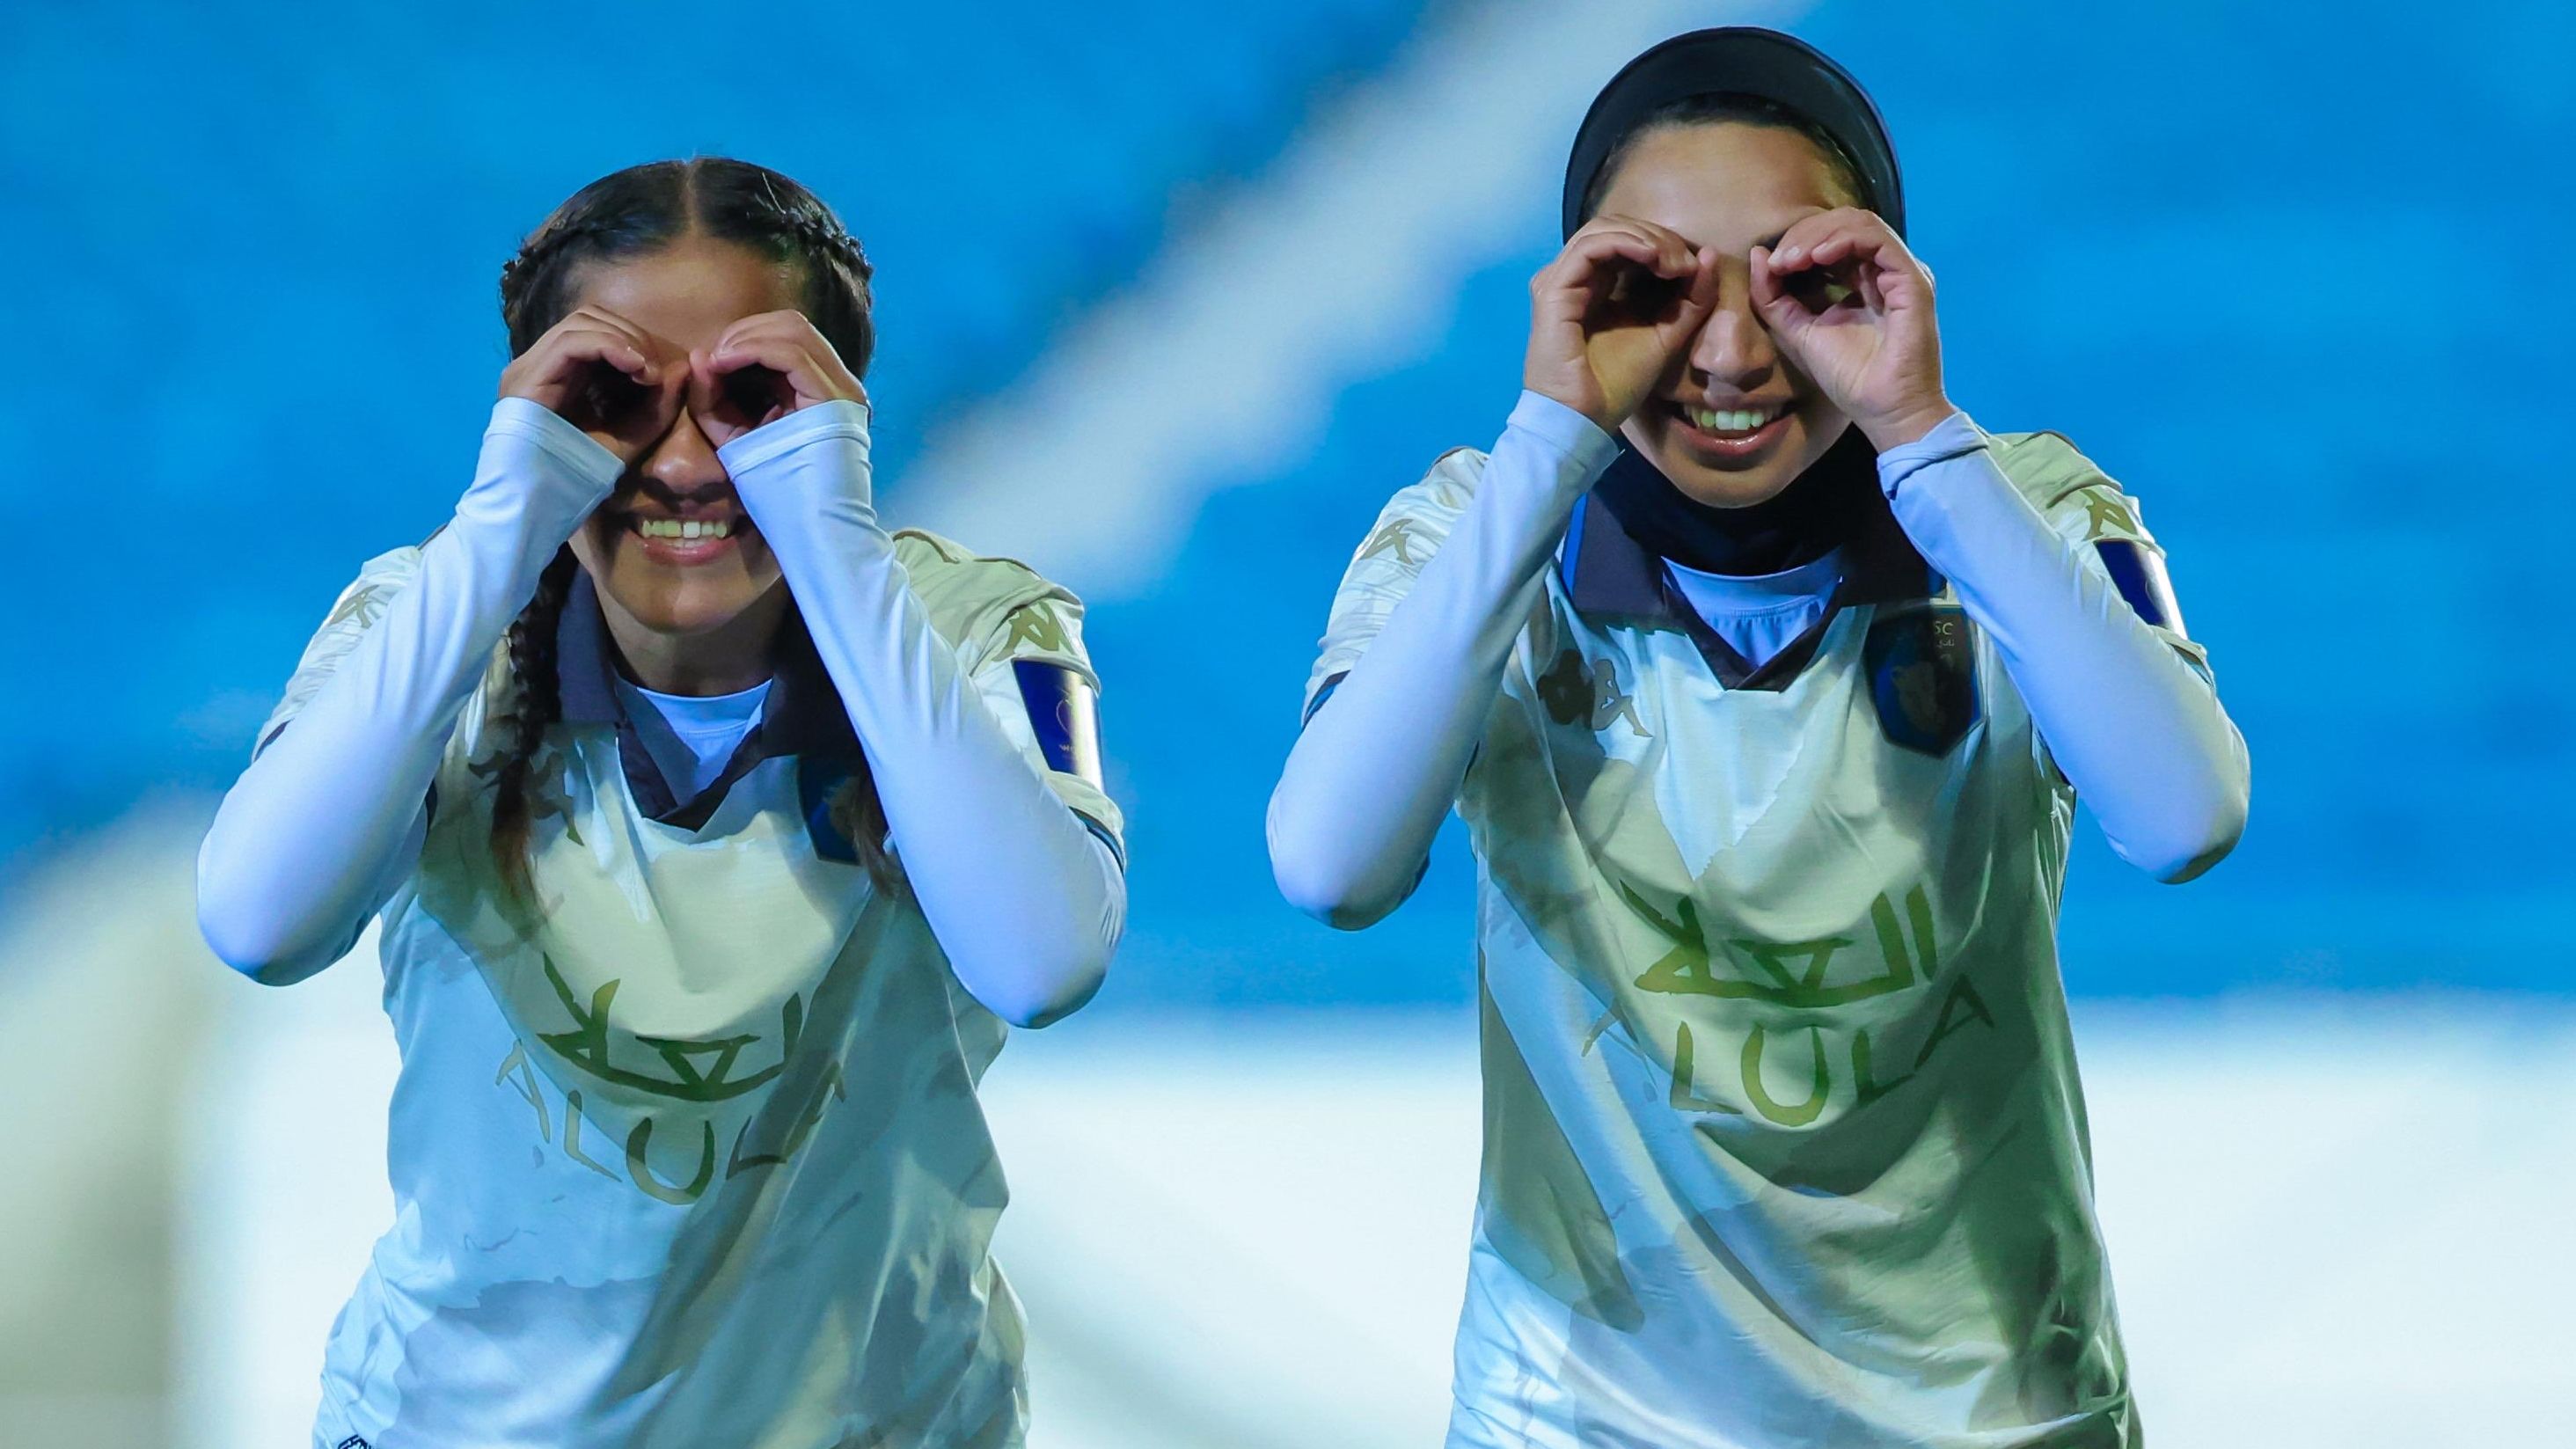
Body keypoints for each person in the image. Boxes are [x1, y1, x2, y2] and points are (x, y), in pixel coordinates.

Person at [1269, 27, 2246, 1447]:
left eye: (1800, 279)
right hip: (1581, 1423)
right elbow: (1330, 867)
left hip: (1997, 1418)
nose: (1728, 353)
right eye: (1657, 287)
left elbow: (2185, 817)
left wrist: (1919, 431)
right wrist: (1550, 437)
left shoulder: (2023, 510)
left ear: (1884, 276)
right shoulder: (1468, 534)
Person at [194, 157, 1125, 1449]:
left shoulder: (983, 627)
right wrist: (505, 521)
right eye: (616, 400)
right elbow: (259, 925)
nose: (686, 463)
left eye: (753, 401)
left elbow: (1042, 960)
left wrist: (832, 538)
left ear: (839, 417)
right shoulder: (427, 621)